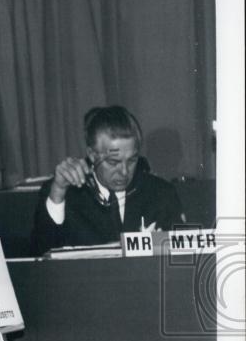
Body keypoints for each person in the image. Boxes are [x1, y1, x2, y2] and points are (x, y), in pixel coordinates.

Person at [31, 105, 184, 255]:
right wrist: (58, 193)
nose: (124, 172)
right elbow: (40, 255)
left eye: (131, 161)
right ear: (92, 155)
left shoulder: (162, 193)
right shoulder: (66, 193)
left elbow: (182, 255)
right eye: (113, 162)